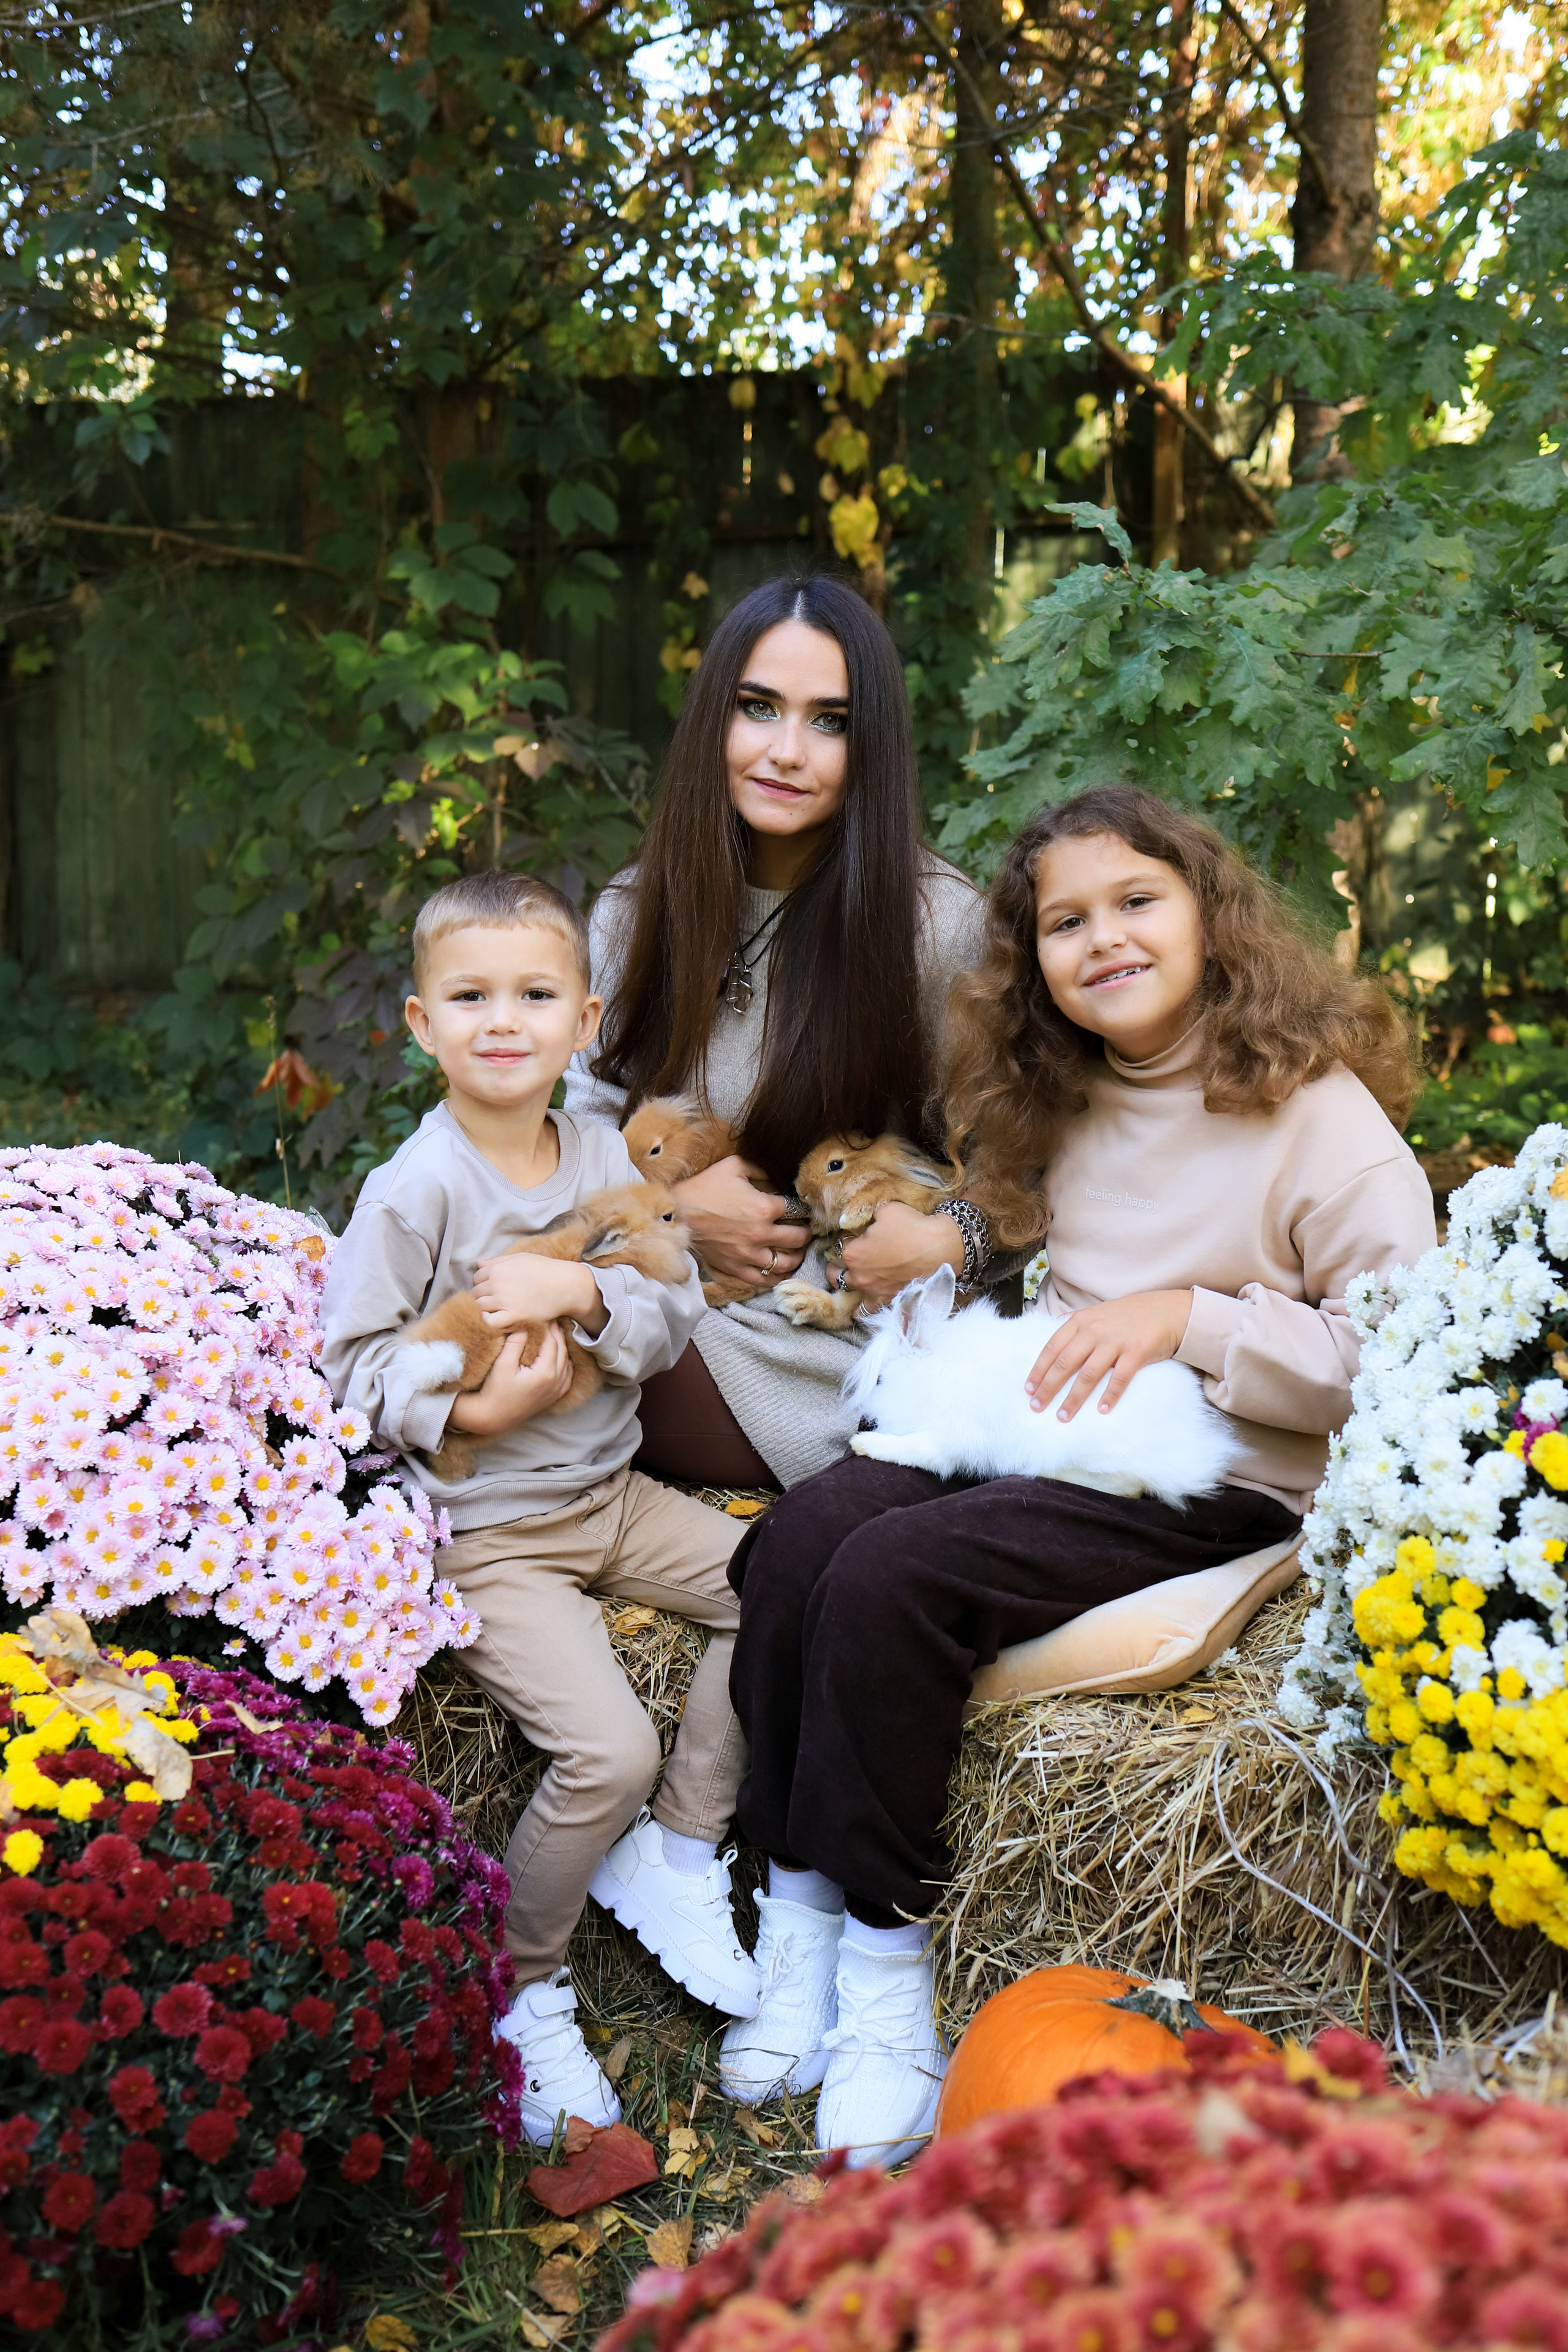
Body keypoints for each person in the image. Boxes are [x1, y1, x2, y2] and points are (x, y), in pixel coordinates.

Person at [718, 783, 1438, 2166]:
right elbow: (1019, 1261)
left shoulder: (1316, 1114)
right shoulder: (1067, 1090)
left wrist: (1188, 1318)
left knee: (895, 1578)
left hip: (1215, 1472)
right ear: (1031, 960)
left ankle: (883, 1969)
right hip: (1054, 1427)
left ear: (1208, 917)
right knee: (808, 1534)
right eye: (1064, 921)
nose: (1101, 938)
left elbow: (1394, 1354)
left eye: (1134, 901)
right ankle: (797, 1899)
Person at [320, 871, 761, 2146]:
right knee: (604, 1749)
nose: (501, 1020)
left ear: (585, 1022)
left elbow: (674, 1298)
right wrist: (469, 1418)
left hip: (610, 1495)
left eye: (533, 994)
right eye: (469, 997)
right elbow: (347, 1370)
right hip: (495, 1534)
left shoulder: (602, 1155)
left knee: (778, 1581)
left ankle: (676, 1851)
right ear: (420, 1024)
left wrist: (581, 1303)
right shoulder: (416, 1192)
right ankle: (519, 1987)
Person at [563, 573, 1017, 1490]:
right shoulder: (631, 913)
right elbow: (570, 1143)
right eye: (759, 708)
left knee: (532, 1366)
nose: (786, 751)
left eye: (830, 721)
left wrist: (952, 1241)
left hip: (844, 1339)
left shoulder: (938, 926)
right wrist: (677, 1220)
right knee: (482, 1307)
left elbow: (1036, 1168)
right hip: (663, 1293)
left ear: (871, 744)